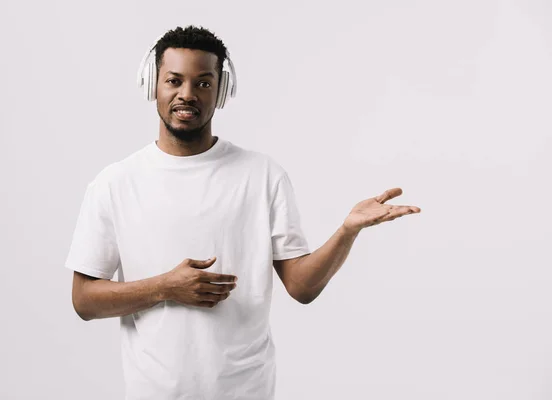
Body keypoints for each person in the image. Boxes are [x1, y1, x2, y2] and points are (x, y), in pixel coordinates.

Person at [65, 25, 421, 400]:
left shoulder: (262, 175)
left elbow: (301, 287)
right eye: (174, 80)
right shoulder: (115, 182)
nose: (187, 94)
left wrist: (347, 231)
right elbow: (84, 300)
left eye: (203, 83)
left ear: (222, 90)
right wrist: (165, 287)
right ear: (152, 83)